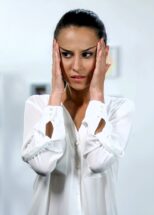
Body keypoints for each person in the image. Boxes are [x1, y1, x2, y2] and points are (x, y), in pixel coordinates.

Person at [21, 9, 134, 215]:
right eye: (66, 54)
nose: (76, 66)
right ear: (55, 55)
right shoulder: (38, 106)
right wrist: (55, 96)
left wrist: (97, 94)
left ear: (104, 54)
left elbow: (98, 161)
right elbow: (43, 164)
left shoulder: (118, 109)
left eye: (87, 54)